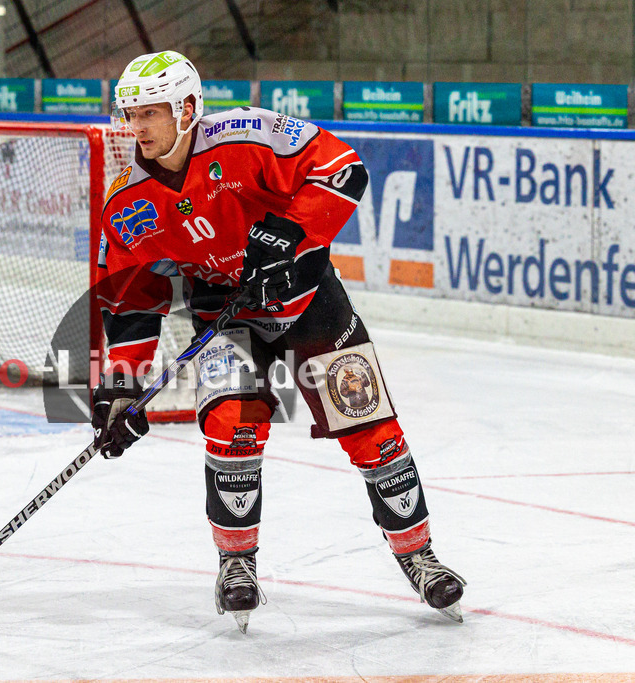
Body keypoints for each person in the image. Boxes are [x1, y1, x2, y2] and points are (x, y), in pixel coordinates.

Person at [93, 51, 466, 633]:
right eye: (129, 113)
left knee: (371, 429)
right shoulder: (126, 201)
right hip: (226, 317)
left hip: (310, 305)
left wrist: (293, 231)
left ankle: (419, 556)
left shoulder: (248, 135)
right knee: (231, 428)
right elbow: (133, 300)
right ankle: (236, 566)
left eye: (150, 113)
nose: (135, 127)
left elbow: (344, 170)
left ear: (187, 108)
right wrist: (120, 389)